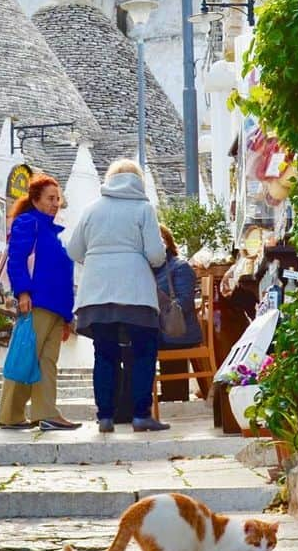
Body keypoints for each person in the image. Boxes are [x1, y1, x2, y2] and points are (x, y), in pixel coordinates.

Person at [67, 159, 170, 432]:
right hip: (135, 291)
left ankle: (105, 417)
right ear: (138, 180)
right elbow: (157, 255)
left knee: (104, 354)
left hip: (97, 292)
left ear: (109, 179)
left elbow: (74, 250)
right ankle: (140, 415)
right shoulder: (143, 208)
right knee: (143, 352)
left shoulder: (91, 209)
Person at [0, 173, 80, 431]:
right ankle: (10, 415)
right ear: (35, 200)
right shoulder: (27, 223)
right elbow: (17, 259)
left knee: (47, 361)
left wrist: (67, 316)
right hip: (36, 302)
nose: (56, 203)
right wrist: (23, 292)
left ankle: (46, 412)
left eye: (58, 199)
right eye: (50, 198)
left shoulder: (55, 233)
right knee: (25, 355)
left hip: (57, 307)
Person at [155, 224, 205, 402]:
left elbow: (184, 302)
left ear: (166, 243)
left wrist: (157, 312)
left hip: (177, 331)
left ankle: (172, 396)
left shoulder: (179, 267)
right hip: (160, 331)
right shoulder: (149, 270)